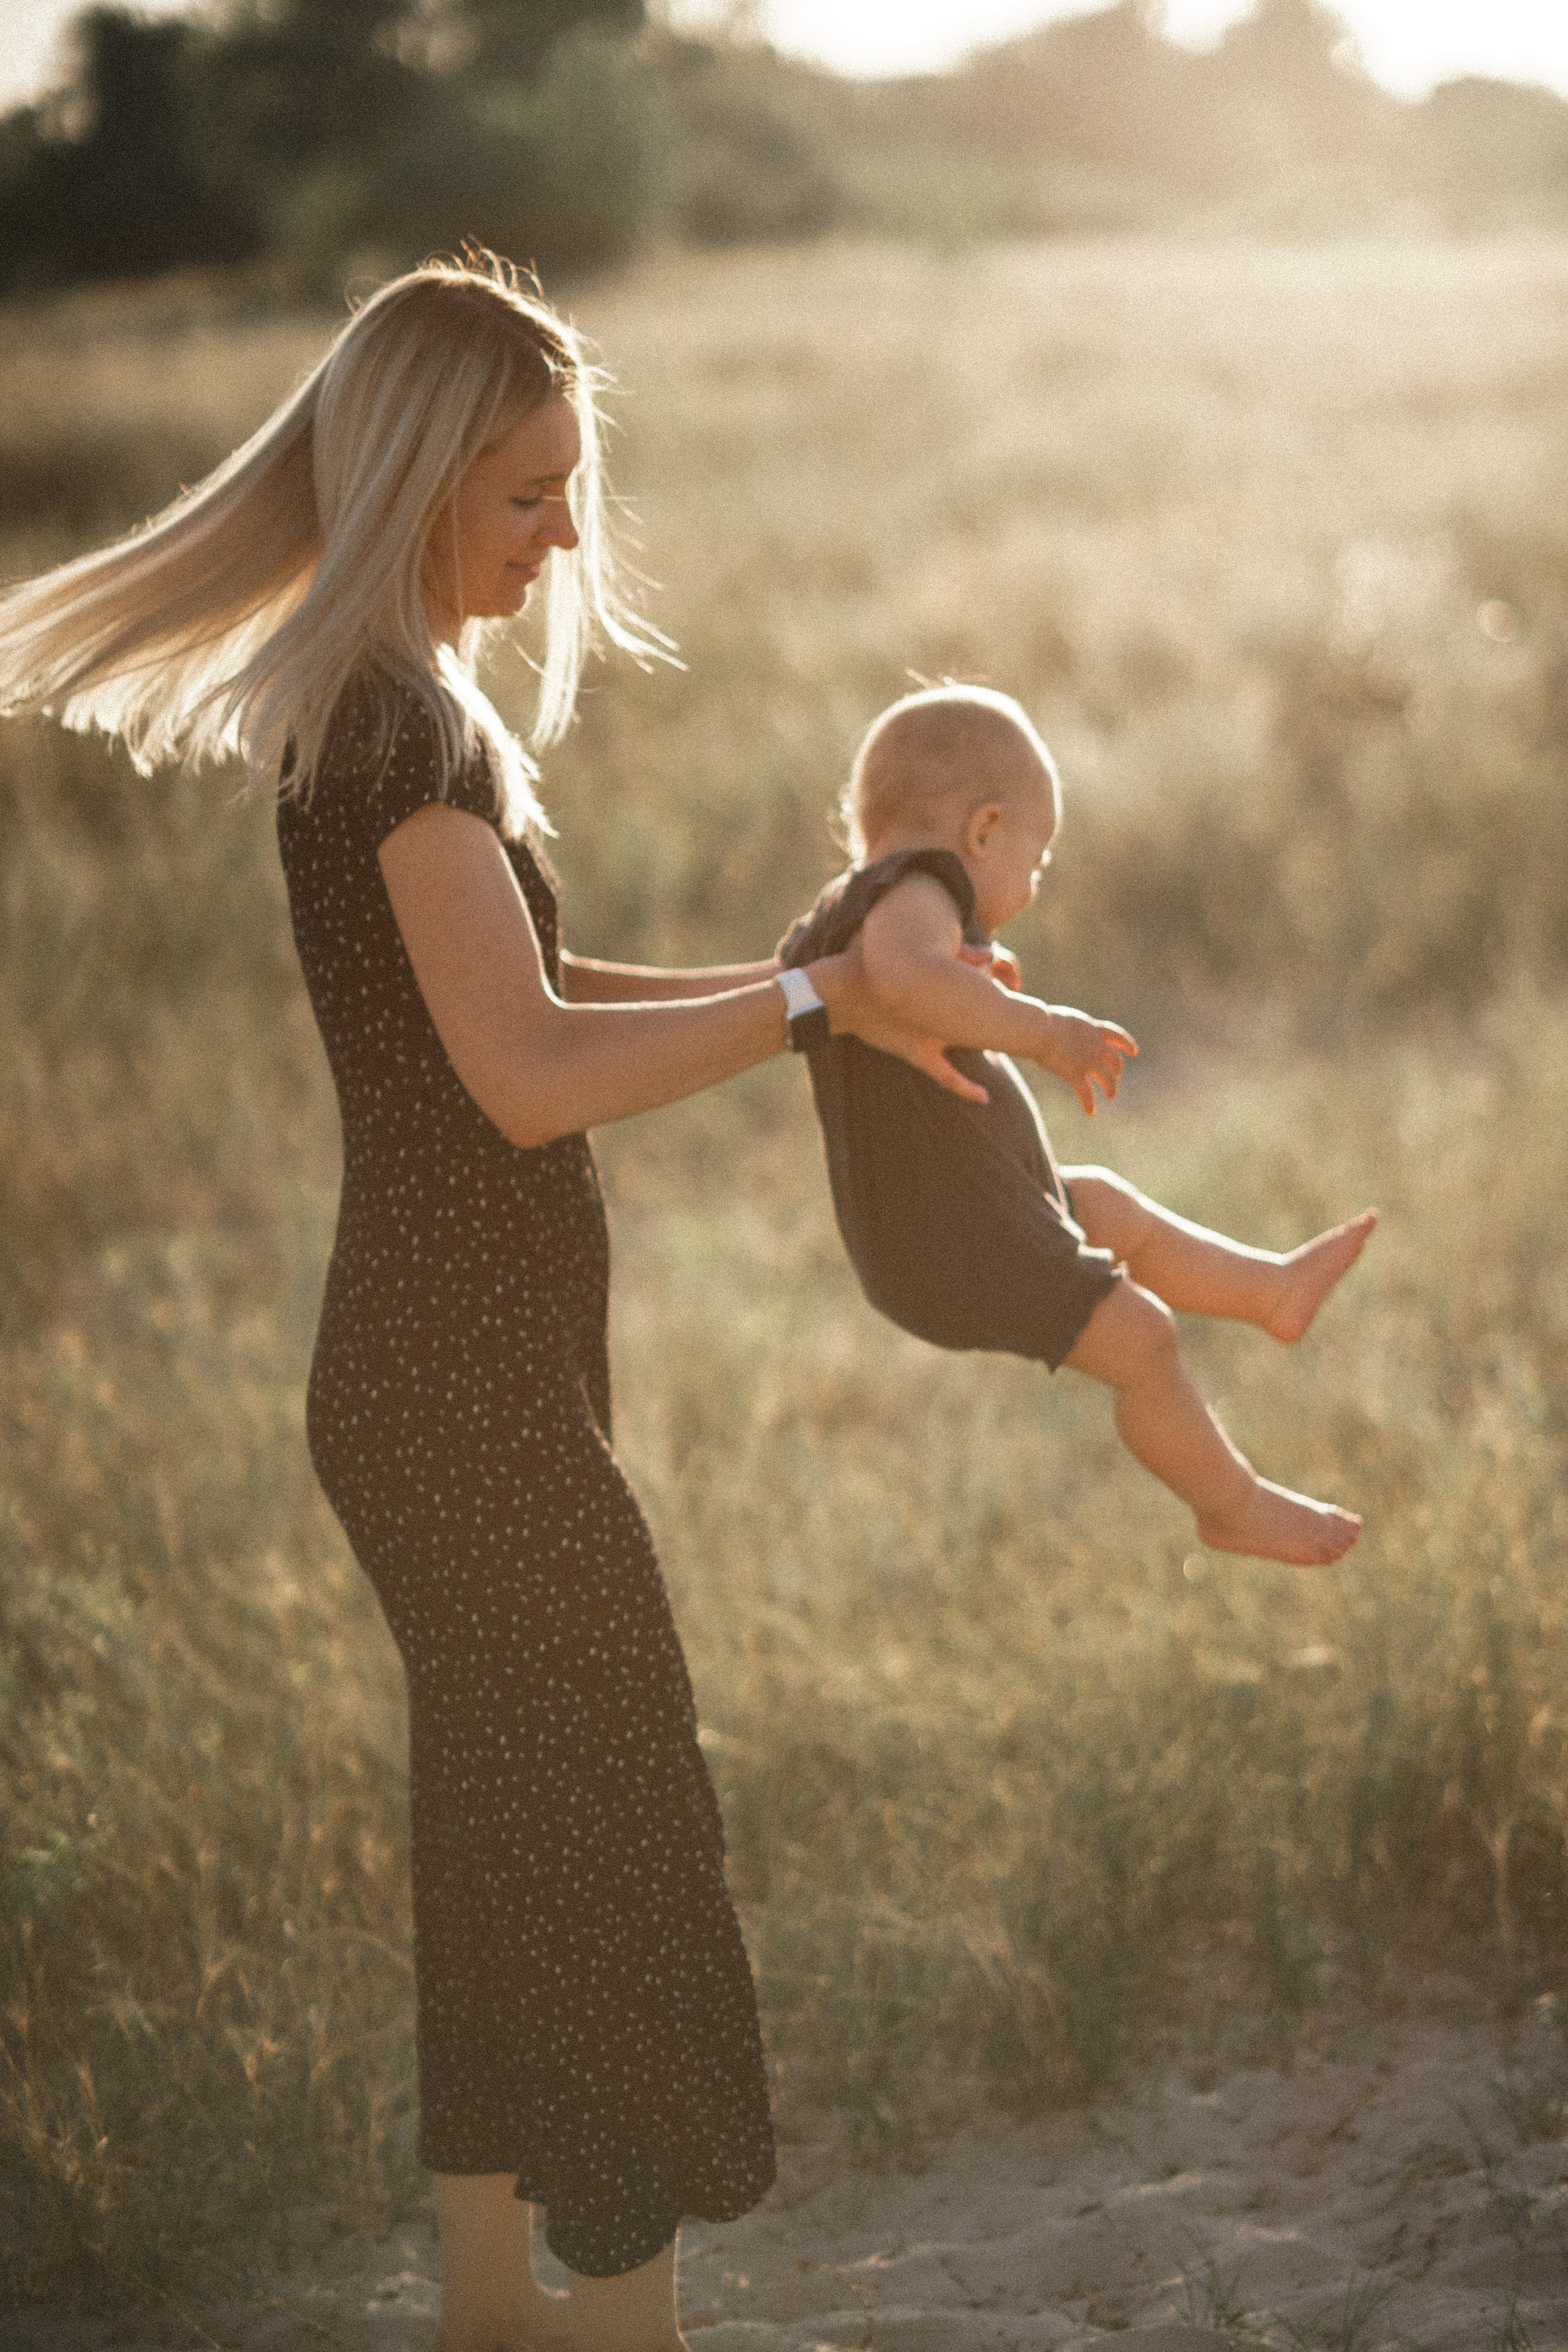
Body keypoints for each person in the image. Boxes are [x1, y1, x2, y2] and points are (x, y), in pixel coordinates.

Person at [0, 255, 979, 2352]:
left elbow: (540, 1000)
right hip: (460, 1391)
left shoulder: (384, 718)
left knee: (505, 1820)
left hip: (448, 1378)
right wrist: (819, 994)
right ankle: (619, 2323)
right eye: (526, 497)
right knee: (607, 1827)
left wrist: (822, 1014)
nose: (561, 542)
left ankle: (485, 2306)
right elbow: (526, 1083)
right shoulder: (393, 734)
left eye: (571, 495)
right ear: (422, 480)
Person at [778, 684, 1376, 1569]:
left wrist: (968, 985)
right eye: (1038, 856)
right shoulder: (924, 887)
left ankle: (1269, 1290)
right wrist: (1043, 1030)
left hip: (942, 1231)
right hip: (954, 1240)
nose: (1033, 880)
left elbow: (836, 987)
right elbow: (899, 978)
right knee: (1145, 1339)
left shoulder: (842, 907)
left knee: (1100, 1204)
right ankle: (1234, 1505)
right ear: (981, 834)